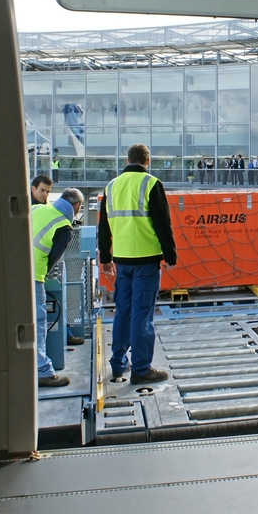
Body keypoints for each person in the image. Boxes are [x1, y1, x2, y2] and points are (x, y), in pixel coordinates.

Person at [98, 143, 177, 385]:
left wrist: (105, 259)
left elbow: (104, 225)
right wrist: (170, 256)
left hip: (122, 261)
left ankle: (118, 364)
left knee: (123, 311)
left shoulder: (111, 186)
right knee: (142, 315)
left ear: (127, 159)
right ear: (147, 160)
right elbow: (163, 223)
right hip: (145, 261)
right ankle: (141, 369)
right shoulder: (151, 184)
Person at [32, 187, 84, 387]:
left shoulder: (38, 209)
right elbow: (53, 260)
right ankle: (42, 370)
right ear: (76, 206)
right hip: (34, 274)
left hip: (12, 271)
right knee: (38, 321)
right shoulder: (64, 227)